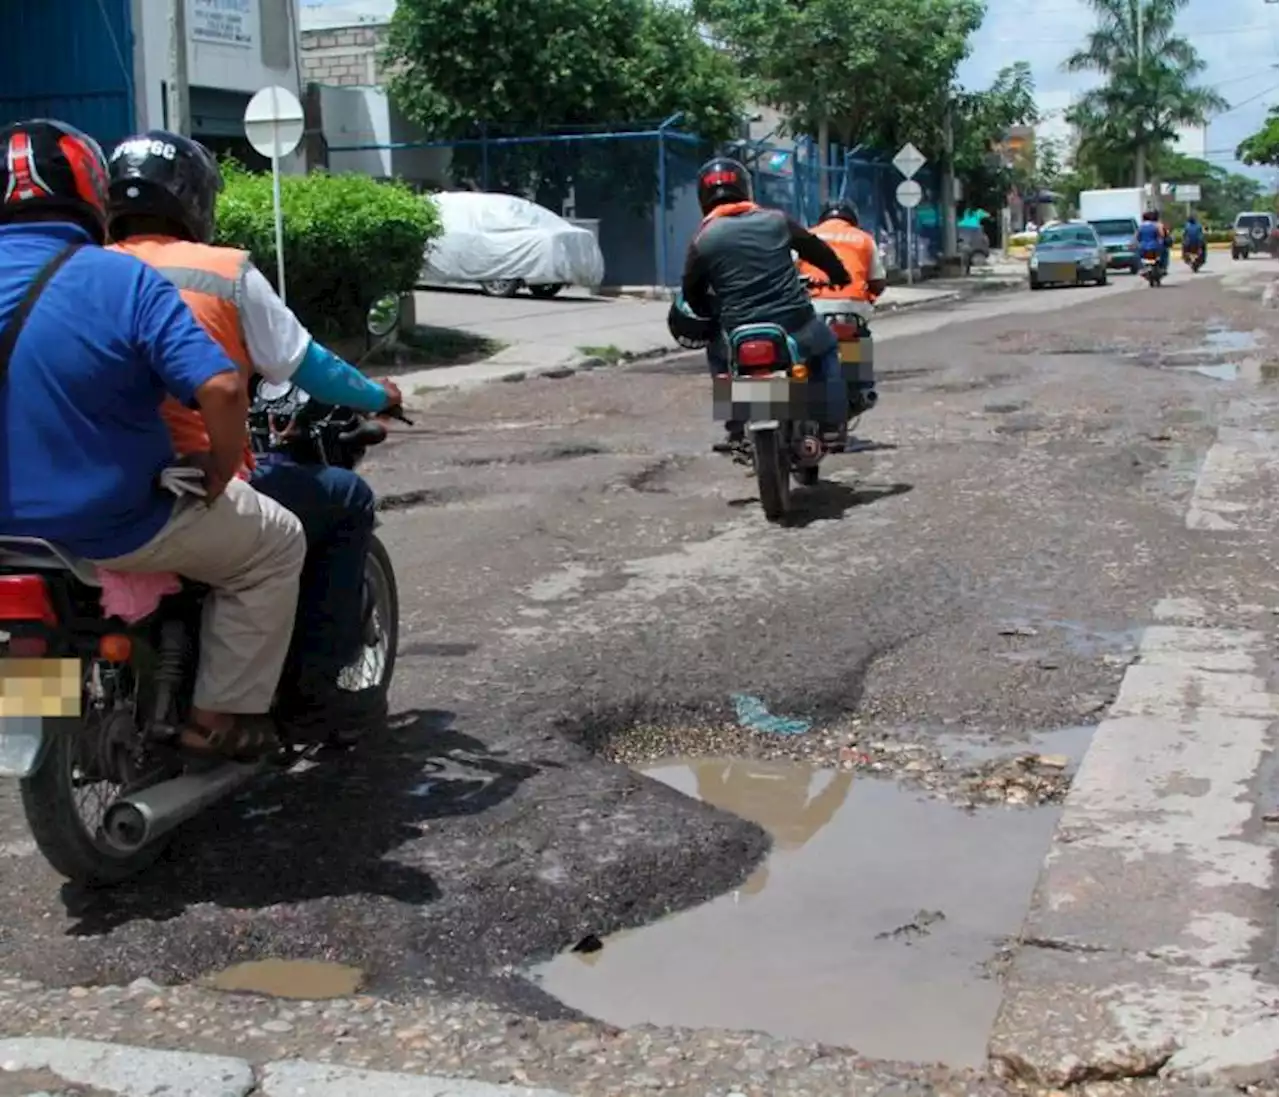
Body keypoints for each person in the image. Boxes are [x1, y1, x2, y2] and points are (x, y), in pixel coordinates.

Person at [0, 118, 305, 762]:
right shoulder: (120, 279)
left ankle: (34, 717)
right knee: (276, 545)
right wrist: (219, 470)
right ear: (91, 193)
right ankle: (215, 721)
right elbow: (221, 389)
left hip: (8, 537)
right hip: (116, 523)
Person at [104, 130, 402, 741]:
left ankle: (40, 716)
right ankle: (301, 697)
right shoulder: (221, 270)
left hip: (82, 485)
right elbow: (305, 364)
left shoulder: (79, 269)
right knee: (343, 499)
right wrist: (379, 395)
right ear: (193, 200)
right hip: (182, 476)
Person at [681, 157, 852, 450]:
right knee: (826, 349)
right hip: (794, 324)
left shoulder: (703, 238)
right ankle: (832, 424)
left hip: (737, 331)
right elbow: (818, 251)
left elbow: (691, 292)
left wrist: (711, 314)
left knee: (718, 356)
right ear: (746, 189)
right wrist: (839, 275)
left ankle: (735, 427)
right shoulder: (776, 220)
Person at [797, 199, 886, 416]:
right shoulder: (865, 239)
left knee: (805, 351)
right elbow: (878, 281)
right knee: (860, 336)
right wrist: (868, 298)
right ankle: (864, 388)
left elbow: (791, 274)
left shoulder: (808, 235)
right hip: (853, 308)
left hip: (815, 306)